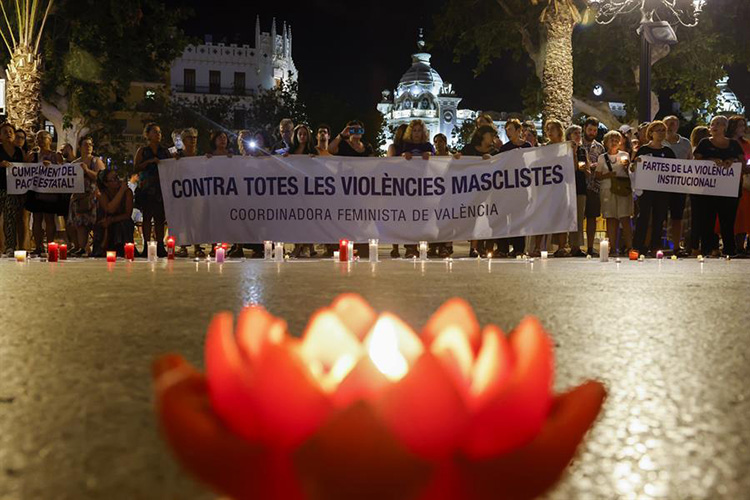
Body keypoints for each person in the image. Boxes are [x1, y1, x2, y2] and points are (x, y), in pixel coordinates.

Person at [693, 115, 746, 257]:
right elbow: (696, 160)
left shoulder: (734, 144)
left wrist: (731, 160)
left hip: (730, 189)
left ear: (725, 127)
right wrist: (710, 160)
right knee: (707, 220)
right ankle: (707, 249)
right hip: (708, 189)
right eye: (712, 124)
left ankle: (729, 250)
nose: (714, 126)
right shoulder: (704, 143)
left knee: (728, 220)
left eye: (718, 124)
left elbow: (742, 162)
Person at [330, 120, 375, 258]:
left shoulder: (367, 146)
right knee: (346, 217)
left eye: (359, 130)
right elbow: (331, 150)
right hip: (345, 187)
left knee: (361, 218)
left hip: (362, 188)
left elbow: (373, 164)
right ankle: (344, 247)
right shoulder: (342, 144)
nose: (356, 133)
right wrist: (341, 135)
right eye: (353, 130)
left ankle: (362, 247)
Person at [631, 120, 675, 256]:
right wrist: (636, 163)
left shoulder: (668, 151)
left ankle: (655, 246)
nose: (661, 133)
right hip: (646, 190)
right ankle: (638, 246)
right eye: (658, 130)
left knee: (659, 218)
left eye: (663, 130)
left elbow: (675, 169)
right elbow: (632, 168)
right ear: (651, 133)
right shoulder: (643, 150)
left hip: (662, 191)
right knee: (643, 217)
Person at [134, 122, 173, 258]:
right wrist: (149, 162)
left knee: (159, 218)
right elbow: (136, 168)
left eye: (160, 132)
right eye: (155, 132)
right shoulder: (143, 151)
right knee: (147, 217)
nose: (158, 134)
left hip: (161, 187)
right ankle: (146, 245)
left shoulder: (164, 151)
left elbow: (171, 165)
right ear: (148, 134)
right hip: (147, 188)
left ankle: (160, 245)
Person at [25, 130, 65, 256]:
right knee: (36, 218)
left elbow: (63, 170)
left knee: (49, 219)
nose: (40, 140)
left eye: (43, 137)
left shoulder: (55, 155)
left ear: (50, 139)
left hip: (50, 192)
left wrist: (53, 166)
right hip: (36, 191)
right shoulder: (33, 155)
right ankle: (38, 246)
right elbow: (25, 170)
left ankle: (50, 245)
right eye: (38, 138)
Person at [496, 119, 531, 257]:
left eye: (510, 129)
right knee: (504, 219)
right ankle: (503, 249)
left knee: (519, 219)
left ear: (518, 131)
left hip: (522, 190)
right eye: (506, 130)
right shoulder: (504, 149)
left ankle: (518, 249)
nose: (507, 132)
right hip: (507, 190)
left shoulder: (527, 146)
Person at [462, 125, 499, 257]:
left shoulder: (495, 152)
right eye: (491, 135)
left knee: (489, 218)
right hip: (472, 189)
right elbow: (460, 164)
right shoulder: (468, 149)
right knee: (474, 218)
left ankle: (488, 248)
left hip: (489, 191)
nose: (493, 138)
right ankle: (474, 247)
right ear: (483, 135)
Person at [595, 131, 633, 255]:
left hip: (622, 190)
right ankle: (612, 247)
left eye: (617, 140)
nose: (614, 142)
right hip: (607, 190)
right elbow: (597, 175)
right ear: (606, 142)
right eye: (612, 140)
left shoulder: (625, 155)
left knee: (625, 217)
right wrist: (608, 175)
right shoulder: (602, 158)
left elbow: (631, 173)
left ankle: (629, 246)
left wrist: (627, 167)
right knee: (611, 218)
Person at [68, 136, 105, 257]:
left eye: (90, 144)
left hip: (92, 197)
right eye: (85, 144)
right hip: (78, 198)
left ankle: (96, 248)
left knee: (94, 223)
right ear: (79, 147)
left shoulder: (96, 161)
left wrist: (87, 170)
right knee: (80, 225)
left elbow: (101, 177)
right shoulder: (74, 163)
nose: (88, 147)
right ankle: (83, 248)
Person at [174, 128, 206, 258]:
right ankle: (183, 246)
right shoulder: (178, 156)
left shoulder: (200, 156)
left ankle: (198, 246)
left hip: (197, 192)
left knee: (197, 220)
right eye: (189, 138)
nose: (192, 140)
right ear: (183, 140)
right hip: (183, 193)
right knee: (184, 220)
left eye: (194, 138)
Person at [663, 116, 692, 256]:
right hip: (661, 186)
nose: (670, 126)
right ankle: (654, 244)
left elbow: (690, 163)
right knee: (658, 216)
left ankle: (676, 246)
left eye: (673, 123)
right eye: (667, 123)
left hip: (679, 186)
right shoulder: (658, 142)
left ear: (678, 126)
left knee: (677, 217)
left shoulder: (686, 143)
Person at [289, 125, 317, 258]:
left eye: (305, 134)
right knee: (296, 219)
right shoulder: (291, 151)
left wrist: (313, 159)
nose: (302, 137)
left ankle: (310, 246)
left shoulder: (312, 150)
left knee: (308, 218)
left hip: (309, 189)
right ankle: (297, 246)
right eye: (300, 134)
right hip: (294, 189)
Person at [93, 169, 134, 256]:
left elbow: (127, 214)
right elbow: (110, 209)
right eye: (114, 179)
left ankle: (122, 251)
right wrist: (121, 191)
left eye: (117, 177)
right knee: (102, 225)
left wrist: (112, 220)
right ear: (106, 183)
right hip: (105, 220)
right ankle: (101, 250)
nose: (118, 181)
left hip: (121, 220)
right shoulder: (101, 194)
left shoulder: (127, 192)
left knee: (122, 225)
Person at [0, 122, 25, 257]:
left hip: (11, 189)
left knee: (10, 218)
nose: (8, 133)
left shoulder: (18, 151)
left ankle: (10, 247)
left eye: (10, 131)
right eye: (5, 132)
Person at [564, 125, 590, 257]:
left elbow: (588, 172)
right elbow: (571, 169)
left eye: (580, 133)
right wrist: (573, 154)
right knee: (567, 217)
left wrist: (585, 169)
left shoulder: (582, 150)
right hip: (567, 188)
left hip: (580, 187)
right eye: (575, 133)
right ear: (569, 135)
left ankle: (577, 245)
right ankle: (564, 245)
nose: (578, 135)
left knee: (579, 218)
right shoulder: (563, 150)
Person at [727, 115, 750, 255]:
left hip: (744, 184)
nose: (743, 128)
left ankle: (741, 246)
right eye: (740, 125)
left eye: (744, 125)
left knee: (743, 215)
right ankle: (729, 245)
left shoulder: (747, 144)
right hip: (726, 184)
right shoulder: (725, 142)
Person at [686, 126, 711, 255]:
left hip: (708, 187)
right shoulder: (695, 151)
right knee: (697, 219)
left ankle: (701, 246)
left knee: (704, 218)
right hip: (697, 188)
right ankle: (695, 246)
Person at [431, 133, 456, 258]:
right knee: (435, 220)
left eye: (441, 141)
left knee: (447, 220)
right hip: (435, 194)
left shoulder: (451, 157)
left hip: (448, 193)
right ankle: (434, 245)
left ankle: (446, 246)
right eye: (436, 141)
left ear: (445, 142)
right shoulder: (431, 157)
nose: (438, 144)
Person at [12, 128, 30, 250]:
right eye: (17, 137)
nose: (19, 140)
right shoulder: (8, 152)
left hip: (24, 191)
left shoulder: (28, 153)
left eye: (22, 138)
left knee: (23, 219)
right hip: (9, 189)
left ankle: (23, 247)